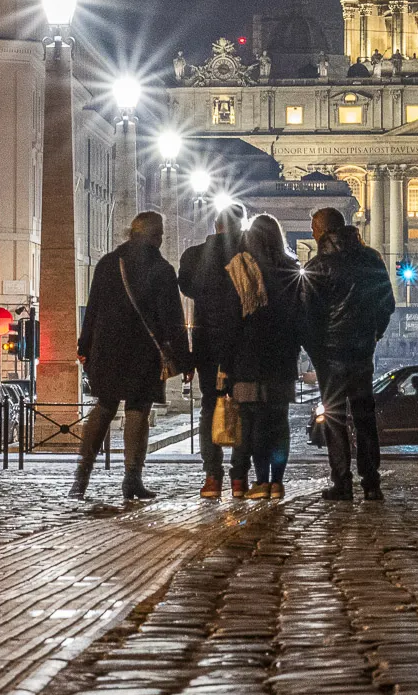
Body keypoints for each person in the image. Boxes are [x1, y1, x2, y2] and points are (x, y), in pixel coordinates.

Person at [72, 211, 192, 500]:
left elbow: (93, 309)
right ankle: (132, 477)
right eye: (160, 232)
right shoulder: (161, 269)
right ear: (154, 236)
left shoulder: (108, 263)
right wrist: (185, 359)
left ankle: (81, 475)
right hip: (143, 353)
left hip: (107, 350)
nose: (162, 237)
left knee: (104, 407)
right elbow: (172, 320)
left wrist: (85, 347)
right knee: (138, 410)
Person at [305, 207, 396, 501]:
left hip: (330, 353)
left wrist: (315, 347)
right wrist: (374, 334)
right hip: (361, 350)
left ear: (321, 231)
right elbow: (387, 304)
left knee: (334, 418)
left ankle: (342, 482)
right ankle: (371, 482)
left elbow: (307, 314)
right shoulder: (372, 259)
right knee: (364, 416)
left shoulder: (318, 265)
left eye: (314, 228)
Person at [219, 215, 306, 500]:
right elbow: (299, 319)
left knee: (252, 421)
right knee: (279, 422)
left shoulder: (239, 268)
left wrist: (226, 365)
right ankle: (277, 482)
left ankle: (260, 481)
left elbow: (231, 322)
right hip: (282, 359)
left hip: (247, 359)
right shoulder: (291, 270)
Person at [178, 206, 247, 498]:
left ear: (216, 225)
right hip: (244, 341)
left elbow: (187, 287)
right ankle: (240, 479)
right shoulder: (249, 256)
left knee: (210, 407)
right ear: (240, 226)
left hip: (206, 341)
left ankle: (212, 477)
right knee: (242, 407)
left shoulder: (194, 256)